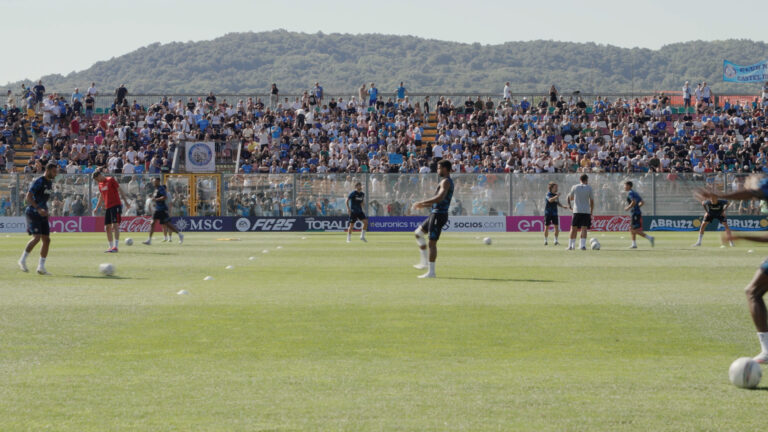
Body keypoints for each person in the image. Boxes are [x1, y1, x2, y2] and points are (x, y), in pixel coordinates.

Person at [697, 177, 768, 363]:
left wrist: (719, 195)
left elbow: (753, 191)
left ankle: (767, 351)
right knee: (753, 291)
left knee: (753, 292)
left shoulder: (761, 184)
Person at [412, 159, 454, 278]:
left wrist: (422, 202)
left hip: (439, 215)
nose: (437, 170)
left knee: (432, 243)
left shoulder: (446, 181)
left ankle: (431, 272)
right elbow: (437, 200)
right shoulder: (444, 181)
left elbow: (440, 198)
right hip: (435, 213)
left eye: (439, 168)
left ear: (445, 169)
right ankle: (424, 263)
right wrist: (423, 205)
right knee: (418, 233)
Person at [18, 161, 57, 275]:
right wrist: (38, 208)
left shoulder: (49, 183)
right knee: (37, 238)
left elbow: (43, 199)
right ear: (48, 170)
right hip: (33, 212)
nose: (55, 174)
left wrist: (46, 210)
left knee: (47, 239)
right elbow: (28, 197)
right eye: (54, 172)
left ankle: (41, 267)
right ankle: (22, 260)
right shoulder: (38, 181)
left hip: (42, 213)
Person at [93, 169, 129, 252]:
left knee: (115, 225)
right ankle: (110, 246)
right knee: (107, 227)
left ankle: (115, 247)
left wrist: (126, 202)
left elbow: (120, 190)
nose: (96, 181)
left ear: (99, 175)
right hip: (108, 207)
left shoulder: (111, 180)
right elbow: (101, 196)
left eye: (96, 179)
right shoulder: (100, 184)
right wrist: (97, 207)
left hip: (115, 205)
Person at [142, 177, 183, 245]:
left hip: (161, 209)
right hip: (157, 209)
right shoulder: (156, 189)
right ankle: (149, 240)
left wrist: (156, 199)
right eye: (153, 181)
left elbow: (164, 197)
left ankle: (180, 235)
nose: (153, 182)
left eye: (154, 181)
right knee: (153, 223)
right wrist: (154, 200)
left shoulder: (161, 188)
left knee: (167, 224)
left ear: (158, 181)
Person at [566, 174, 594, 250]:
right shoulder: (589, 188)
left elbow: (570, 198)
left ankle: (571, 246)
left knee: (573, 228)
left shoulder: (574, 187)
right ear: (586, 180)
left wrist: (576, 198)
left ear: (580, 179)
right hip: (586, 211)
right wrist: (591, 211)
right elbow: (591, 201)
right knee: (584, 228)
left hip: (577, 210)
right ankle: (582, 246)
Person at [624, 181, 654, 248]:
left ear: (629, 186)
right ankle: (634, 244)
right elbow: (642, 202)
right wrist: (637, 207)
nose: (624, 187)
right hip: (636, 212)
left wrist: (628, 208)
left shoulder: (630, 193)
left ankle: (650, 238)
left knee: (633, 229)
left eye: (625, 185)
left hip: (635, 213)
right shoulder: (635, 193)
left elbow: (633, 202)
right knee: (632, 228)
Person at [544, 182, 569, 246]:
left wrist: (563, 206)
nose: (557, 188)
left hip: (555, 213)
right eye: (555, 187)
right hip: (548, 213)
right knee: (547, 227)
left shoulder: (555, 195)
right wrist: (556, 196)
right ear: (552, 188)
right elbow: (550, 200)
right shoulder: (548, 194)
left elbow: (557, 203)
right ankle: (545, 240)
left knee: (556, 227)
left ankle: (555, 241)